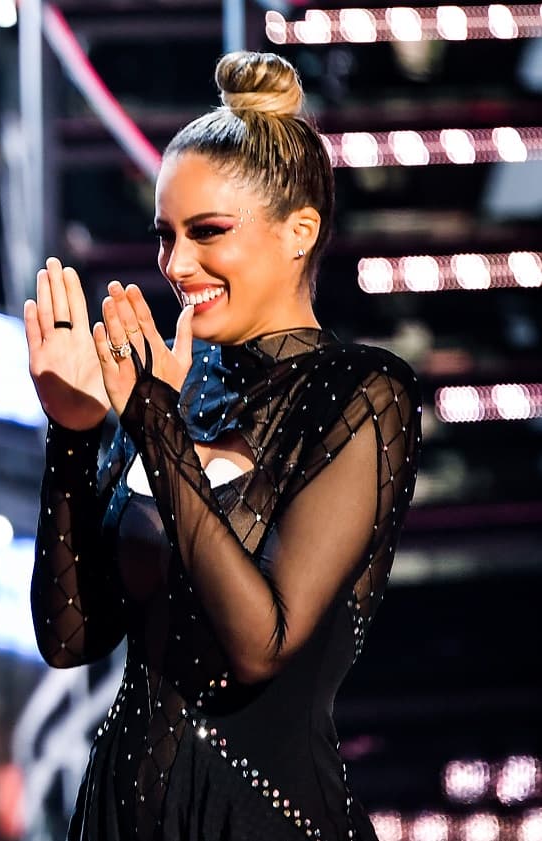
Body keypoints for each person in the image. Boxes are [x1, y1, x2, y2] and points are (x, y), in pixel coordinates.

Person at [24, 52, 421, 841]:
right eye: (165, 235)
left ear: (298, 232)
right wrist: (71, 433)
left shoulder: (363, 395)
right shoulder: (176, 384)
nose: (175, 264)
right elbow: (69, 638)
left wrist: (153, 424)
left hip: (263, 820)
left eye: (206, 233)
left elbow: (260, 643)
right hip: (117, 817)